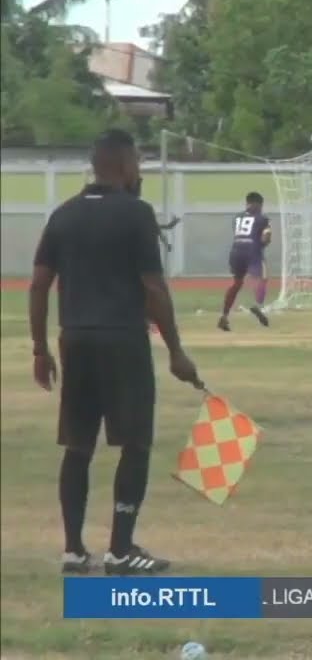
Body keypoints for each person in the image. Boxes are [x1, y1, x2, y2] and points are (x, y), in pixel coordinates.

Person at [29, 129, 201, 576]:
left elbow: (39, 284)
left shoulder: (63, 215)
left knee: (78, 445)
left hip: (76, 340)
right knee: (135, 443)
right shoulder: (136, 214)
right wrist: (176, 351)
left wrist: (40, 349)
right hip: (123, 340)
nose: (140, 171)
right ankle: (121, 549)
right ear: (125, 164)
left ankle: (72, 550)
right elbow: (153, 288)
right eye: (138, 163)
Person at [219, 192, 272, 331]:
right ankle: (257, 306)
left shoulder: (237, 217)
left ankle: (224, 316)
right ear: (257, 204)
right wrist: (262, 244)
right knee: (262, 277)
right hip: (252, 251)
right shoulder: (262, 219)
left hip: (236, 252)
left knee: (236, 283)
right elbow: (266, 236)